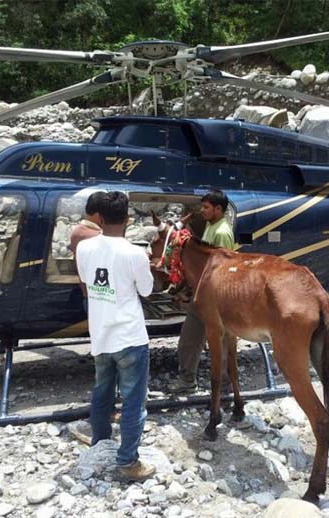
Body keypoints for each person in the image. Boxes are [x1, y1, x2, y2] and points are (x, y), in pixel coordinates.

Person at [76, 191, 156, 481]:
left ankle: (100, 443)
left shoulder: (84, 248)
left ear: (98, 217)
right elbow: (146, 290)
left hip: (100, 335)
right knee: (134, 401)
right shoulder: (134, 252)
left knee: (102, 392)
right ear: (127, 219)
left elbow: (87, 282)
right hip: (130, 337)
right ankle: (128, 462)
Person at [169, 189, 235, 394]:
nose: (202, 210)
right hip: (203, 295)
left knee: (216, 340)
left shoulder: (222, 232)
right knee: (191, 338)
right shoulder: (211, 226)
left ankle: (222, 385)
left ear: (218, 209)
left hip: (213, 298)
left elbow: (221, 268)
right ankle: (190, 380)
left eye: (206, 207)